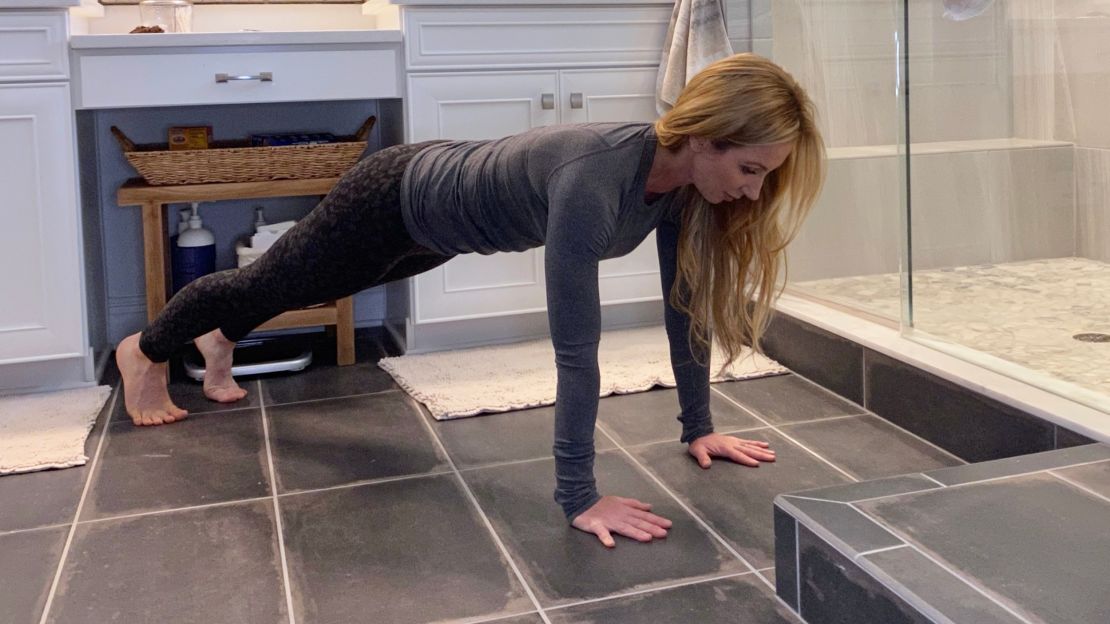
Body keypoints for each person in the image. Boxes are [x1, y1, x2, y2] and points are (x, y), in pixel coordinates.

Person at [115, 53, 826, 547]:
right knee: (269, 282)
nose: (754, 192)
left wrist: (697, 427)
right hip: (393, 198)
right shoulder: (596, 179)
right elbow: (577, 352)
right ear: (702, 136)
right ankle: (144, 351)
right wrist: (579, 496)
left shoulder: (679, 189)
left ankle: (219, 343)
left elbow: (687, 305)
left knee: (308, 286)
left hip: (444, 228)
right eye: (750, 169)